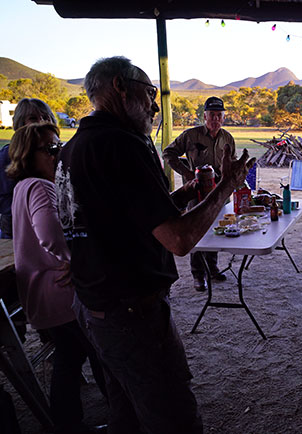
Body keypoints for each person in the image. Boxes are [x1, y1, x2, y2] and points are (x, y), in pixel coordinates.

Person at [55, 56, 254, 434]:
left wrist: (188, 194)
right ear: (119, 87)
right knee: (174, 418)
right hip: (131, 315)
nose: (155, 105)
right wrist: (228, 186)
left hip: (94, 306)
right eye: (149, 93)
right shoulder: (122, 145)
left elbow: (127, 221)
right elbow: (179, 240)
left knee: (126, 413)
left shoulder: (75, 147)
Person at [9, 122, 107, 434]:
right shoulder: (41, 186)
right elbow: (49, 234)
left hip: (40, 294)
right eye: (50, 149)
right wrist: (76, 259)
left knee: (69, 356)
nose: (58, 154)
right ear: (28, 155)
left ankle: (65, 422)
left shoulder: (22, 187)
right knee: (99, 354)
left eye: (59, 146)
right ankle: (122, 415)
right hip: (60, 294)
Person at [162, 96, 235, 291]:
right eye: (212, 115)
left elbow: (232, 162)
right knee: (197, 231)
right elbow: (168, 153)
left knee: (216, 229)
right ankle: (198, 274)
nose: (215, 119)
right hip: (196, 193)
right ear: (204, 116)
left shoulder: (227, 138)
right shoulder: (190, 136)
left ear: (223, 118)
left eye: (219, 115)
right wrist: (186, 173)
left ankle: (212, 268)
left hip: (219, 193)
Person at [0, 98, 57, 239]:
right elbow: (5, 199)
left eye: (45, 117)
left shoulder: (56, 151)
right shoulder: (7, 156)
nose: (41, 121)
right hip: (17, 227)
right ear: (20, 123)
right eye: (33, 118)